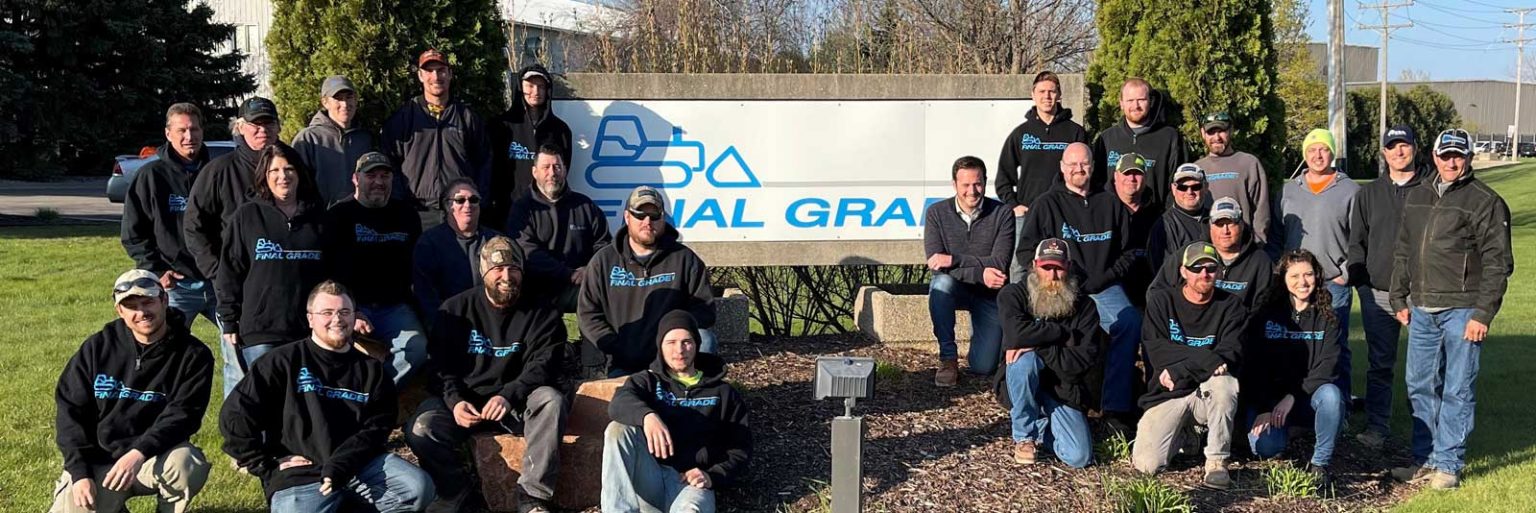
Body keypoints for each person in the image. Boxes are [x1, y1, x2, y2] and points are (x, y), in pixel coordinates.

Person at [221, 281, 434, 512]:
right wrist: (264, 464)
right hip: (302, 472)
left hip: (357, 465)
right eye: (327, 312)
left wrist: (342, 464)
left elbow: (376, 429)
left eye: (344, 312)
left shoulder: (371, 370)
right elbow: (235, 415)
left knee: (417, 488)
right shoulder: (281, 361)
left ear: (354, 316)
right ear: (310, 319)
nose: (337, 319)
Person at [1389, 128, 1513, 490]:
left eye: (1458, 155)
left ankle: (1448, 464)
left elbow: (1498, 263)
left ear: (1469, 158)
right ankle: (1425, 458)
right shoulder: (1418, 195)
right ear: (1434, 156)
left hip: (1463, 310)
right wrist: (1399, 297)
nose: (1451, 162)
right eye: (1446, 155)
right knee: (1419, 384)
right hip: (1421, 309)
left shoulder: (1485, 201)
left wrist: (1483, 313)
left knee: (1458, 388)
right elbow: (1404, 250)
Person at [406, 236, 567, 513]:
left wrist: (509, 395)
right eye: (497, 269)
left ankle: (532, 496)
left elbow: (544, 365)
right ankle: (456, 491)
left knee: (551, 401)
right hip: (465, 406)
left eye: (513, 268)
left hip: (517, 404)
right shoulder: (454, 310)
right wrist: (455, 401)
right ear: (483, 272)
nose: (506, 276)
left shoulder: (543, 312)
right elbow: (439, 366)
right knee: (421, 427)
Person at [50, 269, 214, 513]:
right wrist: (79, 472)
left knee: (186, 464)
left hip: (152, 457)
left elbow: (184, 415)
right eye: (131, 306)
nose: (141, 312)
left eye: (148, 302)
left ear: (164, 300)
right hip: (100, 463)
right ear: (119, 310)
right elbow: (70, 413)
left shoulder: (194, 354)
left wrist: (139, 452)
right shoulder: (96, 348)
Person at [1018, 142, 1139, 434]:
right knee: (1042, 331)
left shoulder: (1110, 203)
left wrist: (1103, 279)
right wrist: (1058, 277)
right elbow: (1026, 253)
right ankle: (1043, 402)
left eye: (1084, 163)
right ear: (1062, 167)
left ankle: (1115, 408)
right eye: (1072, 164)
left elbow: (1128, 253)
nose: (1078, 169)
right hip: (1060, 287)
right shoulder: (1046, 204)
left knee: (1131, 322)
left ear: (1093, 167)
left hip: (1103, 288)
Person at [184, 96, 296, 394]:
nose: (262, 130)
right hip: (237, 287)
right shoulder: (219, 171)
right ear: (240, 128)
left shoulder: (293, 166)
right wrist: (218, 271)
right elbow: (194, 226)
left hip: (285, 287)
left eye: (268, 123)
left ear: (278, 126)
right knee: (239, 367)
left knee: (289, 369)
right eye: (254, 124)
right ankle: (239, 422)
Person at [603, 311, 750, 513]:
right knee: (618, 429)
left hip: (691, 484)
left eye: (686, 342)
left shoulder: (723, 393)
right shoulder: (647, 381)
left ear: (697, 344)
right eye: (671, 342)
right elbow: (618, 404)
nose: (679, 350)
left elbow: (740, 448)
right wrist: (648, 416)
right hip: (650, 479)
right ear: (660, 347)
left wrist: (713, 475)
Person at [1347, 125, 1432, 449]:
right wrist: (1361, 281)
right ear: (1383, 152)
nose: (1399, 151)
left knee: (1425, 369)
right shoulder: (1369, 193)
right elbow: (1357, 241)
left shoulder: (1431, 189)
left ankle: (1427, 435)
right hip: (1379, 292)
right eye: (1392, 146)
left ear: (1415, 148)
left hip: (1422, 291)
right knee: (1380, 364)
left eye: (1404, 145)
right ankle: (1377, 428)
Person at [1132, 242, 1244, 490]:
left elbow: (1230, 353)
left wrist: (1179, 368)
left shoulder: (1231, 306)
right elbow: (1157, 351)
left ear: (1219, 272)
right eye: (1196, 268)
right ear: (1183, 271)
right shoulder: (1162, 301)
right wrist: (1207, 359)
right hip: (1168, 393)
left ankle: (1217, 462)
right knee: (1147, 464)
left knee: (1225, 384)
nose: (1204, 274)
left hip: (1205, 393)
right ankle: (1188, 434)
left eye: (1210, 268)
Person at [578, 186, 716, 378]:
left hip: (672, 359)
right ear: (627, 217)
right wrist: (614, 345)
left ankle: (696, 392)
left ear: (663, 218)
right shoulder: (603, 261)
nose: (647, 222)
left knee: (705, 338)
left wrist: (673, 338)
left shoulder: (685, 259)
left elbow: (705, 310)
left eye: (654, 215)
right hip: (622, 359)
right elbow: (588, 313)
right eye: (640, 215)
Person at [215, 145, 327, 381]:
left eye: (289, 169)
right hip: (261, 330)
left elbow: (332, 273)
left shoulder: (320, 218)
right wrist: (229, 320)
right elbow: (230, 272)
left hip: (309, 328)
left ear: (299, 173)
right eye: (274, 171)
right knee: (266, 396)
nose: (282, 176)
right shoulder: (247, 216)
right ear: (264, 177)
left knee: (303, 396)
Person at [994, 239, 1103, 468]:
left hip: (1063, 388)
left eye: (1058, 268)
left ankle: (1041, 424)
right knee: (1023, 361)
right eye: (1046, 268)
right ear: (1035, 265)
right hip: (1023, 382)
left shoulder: (1085, 307)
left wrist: (1038, 344)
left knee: (1078, 457)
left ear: (1069, 267)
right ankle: (1024, 436)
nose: (1052, 276)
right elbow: (1015, 335)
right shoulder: (1013, 295)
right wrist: (1061, 334)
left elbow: (1081, 362)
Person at [1243, 250, 1344, 490]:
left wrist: (1293, 396)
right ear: (1283, 279)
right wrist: (1265, 406)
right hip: (1271, 401)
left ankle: (1319, 464)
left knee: (1332, 395)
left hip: (1308, 397)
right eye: (1295, 276)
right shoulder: (1266, 315)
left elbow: (1328, 367)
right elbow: (1253, 366)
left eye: (1308, 274)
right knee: (1265, 448)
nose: (1303, 282)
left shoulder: (1328, 316)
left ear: (1317, 276)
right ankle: (1292, 430)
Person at [323, 152, 425, 384]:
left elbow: (418, 268)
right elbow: (328, 274)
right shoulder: (338, 216)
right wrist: (350, 310)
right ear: (356, 179)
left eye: (384, 176)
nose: (379, 181)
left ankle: (373, 393)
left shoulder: (407, 215)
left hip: (395, 308)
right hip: (350, 306)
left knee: (417, 348)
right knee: (334, 351)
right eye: (371, 175)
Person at [1278, 129, 1359, 404]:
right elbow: (1276, 233)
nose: (1318, 155)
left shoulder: (1350, 190)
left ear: (1332, 152)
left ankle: (1340, 406)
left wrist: (1344, 274)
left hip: (1332, 283)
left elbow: (1360, 237)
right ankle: (1298, 404)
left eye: (1324, 149)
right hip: (1294, 283)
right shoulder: (1289, 190)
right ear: (1304, 154)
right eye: (1312, 150)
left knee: (1337, 347)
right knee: (1294, 341)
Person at [121, 103, 217, 329]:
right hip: (175, 286)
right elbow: (133, 233)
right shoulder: (150, 177)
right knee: (167, 345)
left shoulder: (217, 172)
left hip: (218, 282)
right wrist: (156, 270)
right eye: (181, 130)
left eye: (194, 129)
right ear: (168, 133)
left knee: (241, 343)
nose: (189, 136)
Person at [924, 156, 1013, 386]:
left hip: (989, 294)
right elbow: (936, 264)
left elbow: (999, 263)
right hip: (956, 288)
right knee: (941, 284)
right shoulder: (936, 213)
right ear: (954, 184)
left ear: (985, 182)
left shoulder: (1003, 213)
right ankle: (948, 358)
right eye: (965, 185)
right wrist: (980, 273)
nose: (972, 191)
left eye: (977, 184)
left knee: (983, 366)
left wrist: (953, 260)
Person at [995, 71, 1090, 280]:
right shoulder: (1021, 134)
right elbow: (1003, 178)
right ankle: (1021, 302)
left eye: (1052, 91)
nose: (1047, 96)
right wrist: (1014, 205)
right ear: (1033, 95)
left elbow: (1088, 173)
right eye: (1042, 91)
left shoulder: (1075, 132)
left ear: (1059, 95)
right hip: (1028, 214)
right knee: (1020, 267)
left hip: (1066, 213)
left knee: (1068, 266)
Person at [382, 49, 493, 228]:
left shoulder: (467, 118)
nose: (435, 76)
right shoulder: (403, 118)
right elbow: (390, 164)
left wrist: (476, 202)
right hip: (416, 214)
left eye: (441, 70)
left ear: (450, 74)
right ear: (420, 76)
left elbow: (484, 163)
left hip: (458, 212)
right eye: (429, 71)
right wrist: (400, 203)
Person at [507, 143, 610, 313]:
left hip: (580, 286)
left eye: (557, 167)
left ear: (565, 170)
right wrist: (567, 273)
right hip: (535, 289)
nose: (552, 173)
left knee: (613, 293)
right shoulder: (522, 209)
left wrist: (589, 270)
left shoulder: (586, 206)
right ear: (535, 172)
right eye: (546, 167)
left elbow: (604, 246)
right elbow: (526, 252)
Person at [488, 64, 573, 232]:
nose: (536, 91)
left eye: (541, 86)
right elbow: (491, 172)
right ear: (520, 88)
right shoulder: (500, 126)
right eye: (530, 85)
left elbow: (562, 171)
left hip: (547, 213)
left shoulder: (560, 130)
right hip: (507, 213)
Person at [1150, 197, 1273, 310]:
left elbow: (1265, 306)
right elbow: (1156, 291)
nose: (1225, 231)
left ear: (1241, 225)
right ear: (1210, 226)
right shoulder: (1190, 252)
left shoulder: (1260, 261)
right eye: (1219, 224)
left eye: (1230, 223)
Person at [1091, 78, 1188, 211]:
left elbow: (1178, 183)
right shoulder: (1106, 139)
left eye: (1141, 100)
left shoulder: (1170, 137)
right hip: (1113, 218)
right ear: (1121, 103)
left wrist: (1167, 217)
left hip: (1156, 218)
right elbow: (1096, 183)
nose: (1136, 106)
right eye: (1130, 100)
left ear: (1151, 102)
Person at [413, 178, 502, 317]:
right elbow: (426, 295)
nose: (468, 205)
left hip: (490, 318)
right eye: (460, 200)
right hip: (447, 318)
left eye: (473, 200)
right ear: (447, 206)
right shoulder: (429, 243)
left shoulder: (496, 241)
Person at [293, 75, 374, 205]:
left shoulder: (366, 138)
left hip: (361, 215)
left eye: (349, 97)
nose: (345, 104)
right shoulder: (308, 139)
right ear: (325, 102)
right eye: (338, 98)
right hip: (322, 215)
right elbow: (297, 186)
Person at [1193, 112, 1271, 242]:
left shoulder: (1249, 163)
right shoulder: (1197, 168)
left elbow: (1261, 208)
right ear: (1203, 133)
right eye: (1211, 132)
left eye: (1221, 131)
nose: (1217, 137)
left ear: (1231, 130)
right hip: (1207, 247)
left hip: (1243, 245)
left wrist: (1257, 242)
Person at [1110, 153, 1159, 307]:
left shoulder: (1157, 214)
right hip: (1112, 290)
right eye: (1126, 173)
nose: (1132, 178)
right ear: (1116, 176)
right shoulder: (1102, 209)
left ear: (1145, 178)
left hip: (1148, 293)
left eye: (1137, 173)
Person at [1145, 164, 1209, 272]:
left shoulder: (1216, 220)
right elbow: (1163, 273)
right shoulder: (1163, 227)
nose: (1189, 192)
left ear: (1206, 187)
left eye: (1196, 187)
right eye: (1182, 187)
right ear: (1174, 189)